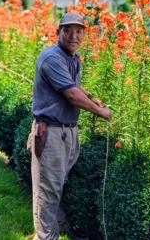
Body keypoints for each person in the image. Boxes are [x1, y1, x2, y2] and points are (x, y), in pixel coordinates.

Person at [31, 12, 112, 240]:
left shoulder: (73, 58)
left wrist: (91, 96)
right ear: (58, 33)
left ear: (84, 34)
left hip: (68, 132)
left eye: (79, 31)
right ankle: (45, 237)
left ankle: (59, 225)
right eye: (68, 30)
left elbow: (76, 86)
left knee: (56, 184)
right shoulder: (51, 58)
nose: (73, 36)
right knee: (48, 190)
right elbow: (71, 94)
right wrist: (99, 111)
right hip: (51, 133)